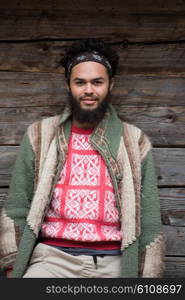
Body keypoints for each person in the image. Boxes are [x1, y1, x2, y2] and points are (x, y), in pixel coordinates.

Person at [0, 39, 165, 278]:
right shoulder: (40, 135)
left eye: (97, 82)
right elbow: (16, 205)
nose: (89, 90)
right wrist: (12, 267)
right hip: (53, 260)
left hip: (116, 263)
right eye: (80, 82)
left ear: (111, 85)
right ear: (69, 85)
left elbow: (149, 220)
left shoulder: (134, 141)